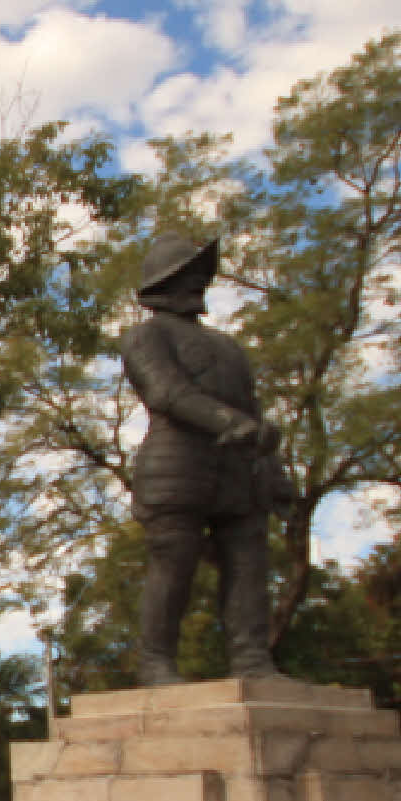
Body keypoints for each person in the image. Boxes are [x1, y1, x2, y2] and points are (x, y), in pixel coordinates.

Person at [121, 235, 289, 685]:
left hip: (238, 467)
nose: (196, 283)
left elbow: (251, 407)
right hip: (177, 460)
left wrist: (273, 467)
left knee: (249, 560)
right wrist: (228, 421)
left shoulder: (229, 348)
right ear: (163, 282)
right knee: (174, 560)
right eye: (185, 274)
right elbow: (165, 391)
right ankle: (156, 662)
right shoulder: (145, 335)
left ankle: (253, 660)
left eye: (199, 275)